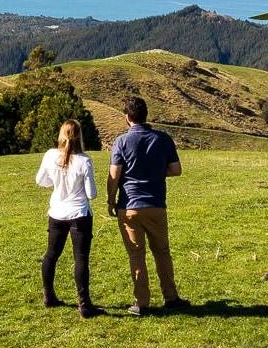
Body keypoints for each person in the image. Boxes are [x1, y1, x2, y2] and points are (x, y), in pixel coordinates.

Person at [107, 96, 190, 316]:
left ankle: (141, 302)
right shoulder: (163, 139)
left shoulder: (121, 142)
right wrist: (155, 172)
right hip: (155, 204)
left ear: (127, 117)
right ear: (146, 115)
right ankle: (171, 297)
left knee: (136, 254)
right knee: (162, 252)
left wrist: (111, 200)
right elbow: (176, 170)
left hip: (129, 205)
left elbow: (114, 175)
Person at [36, 119, 102, 319]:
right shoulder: (84, 161)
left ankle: (48, 295)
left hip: (57, 212)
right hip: (79, 214)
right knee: (80, 258)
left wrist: (57, 181)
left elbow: (41, 181)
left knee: (51, 254)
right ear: (79, 136)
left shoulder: (50, 155)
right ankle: (84, 304)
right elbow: (91, 194)